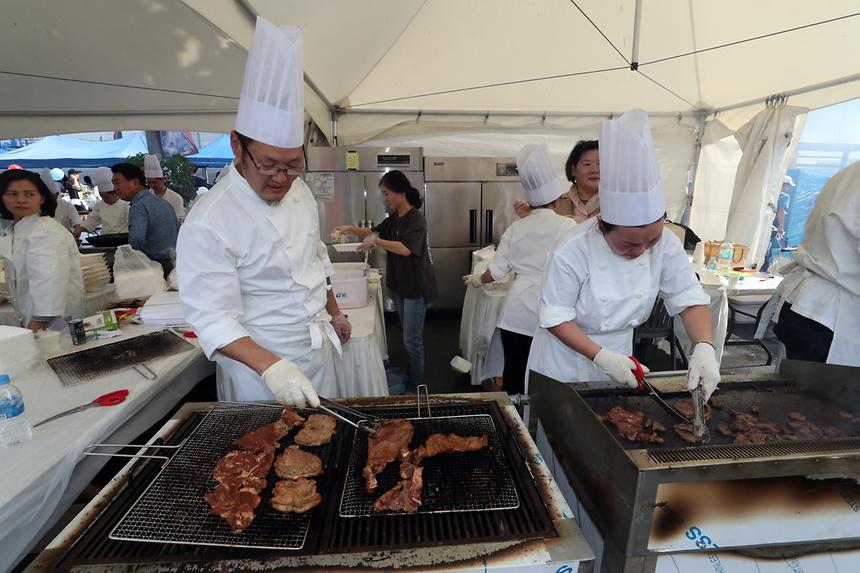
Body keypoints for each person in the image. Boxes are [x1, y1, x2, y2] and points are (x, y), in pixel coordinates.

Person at [177, 17, 351, 407]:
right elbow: (210, 317)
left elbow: (316, 259)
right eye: (269, 164)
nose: (282, 178)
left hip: (318, 349)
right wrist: (274, 367)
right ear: (237, 145)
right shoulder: (210, 220)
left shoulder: (300, 191)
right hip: (258, 371)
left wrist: (335, 312)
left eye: (293, 165)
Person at [526, 110, 721, 400]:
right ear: (603, 224)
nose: (641, 251)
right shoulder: (572, 247)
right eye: (629, 245)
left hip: (620, 354)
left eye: (651, 239)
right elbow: (556, 317)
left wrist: (704, 346)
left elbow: (688, 298)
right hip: (562, 359)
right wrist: (601, 357)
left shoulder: (666, 243)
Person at [462, 144, 576, 395]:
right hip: (553, 311)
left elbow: (497, 272)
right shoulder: (569, 226)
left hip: (516, 312)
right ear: (557, 201)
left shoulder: (516, 228)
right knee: (546, 371)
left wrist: (479, 279)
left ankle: (514, 420)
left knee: (514, 371)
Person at [336, 170, 437, 392]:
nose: (385, 198)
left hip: (415, 288)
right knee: (407, 336)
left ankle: (417, 386)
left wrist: (377, 241)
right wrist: (350, 229)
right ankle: (412, 378)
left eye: (387, 193)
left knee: (412, 341)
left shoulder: (416, 220)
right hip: (400, 286)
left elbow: (406, 249)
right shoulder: (394, 218)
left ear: (401, 192)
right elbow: (372, 231)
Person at [768, 161, 859, 366]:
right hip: (830, 317)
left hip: (808, 305)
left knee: (795, 391)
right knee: (817, 395)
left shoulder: (851, 171)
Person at [0, 170, 84, 331]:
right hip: (37, 322)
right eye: (12, 194)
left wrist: (34, 330)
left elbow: (48, 285)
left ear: (42, 198)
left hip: (53, 324)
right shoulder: (17, 230)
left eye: (29, 194)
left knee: (56, 351)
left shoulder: (46, 232)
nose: (21, 200)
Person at [111, 162, 178, 277]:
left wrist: (136, 261)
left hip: (155, 268)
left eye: (117, 183)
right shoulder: (162, 202)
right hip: (174, 264)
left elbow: (137, 239)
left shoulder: (139, 206)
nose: (114, 188)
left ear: (135, 183)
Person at [514, 140, 600, 222]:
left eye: (600, 164)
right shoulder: (554, 203)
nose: (595, 170)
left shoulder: (612, 205)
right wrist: (530, 217)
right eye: (587, 164)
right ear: (573, 170)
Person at [39, 169, 86, 239]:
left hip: (64, 238)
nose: (48, 201)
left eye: (51, 197)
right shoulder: (35, 207)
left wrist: (77, 231)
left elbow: (77, 223)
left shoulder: (66, 206)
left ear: (57, 194)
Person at [82, 167, 129, 234]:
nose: (104, 199)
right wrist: (81, 228)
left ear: (115, 193)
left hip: (124, 239)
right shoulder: (100, 205)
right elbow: (92, 220)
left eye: (105, 197)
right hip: (106, 238)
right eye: (102, 196)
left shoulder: (127, 204)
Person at [762, 175, 793, 271]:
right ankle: (764, 266)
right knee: (767, 247)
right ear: (783, 185)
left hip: (763, 224)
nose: (788, 188)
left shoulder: (770, 194)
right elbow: (781, 211)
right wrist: (781, 226)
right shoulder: (784, 196)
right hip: (771, 226)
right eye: (788, 186)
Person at [144, 154, 186, 223]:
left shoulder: (175, 198)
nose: (152, 185)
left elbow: (179, 220)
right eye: (149, 182)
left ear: (162, 180)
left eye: (154, 182)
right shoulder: (146, 196)